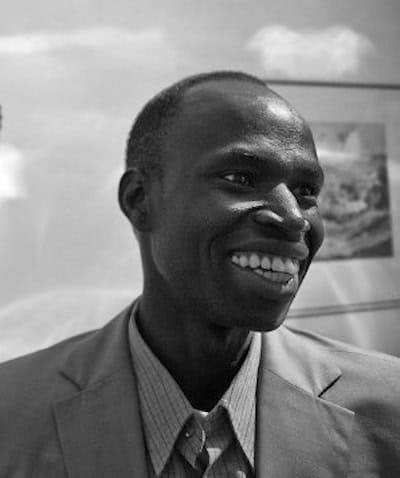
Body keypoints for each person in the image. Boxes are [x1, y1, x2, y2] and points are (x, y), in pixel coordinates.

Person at [0, 71, 399, 477]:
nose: (295, 218)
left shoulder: (388, 406)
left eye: (306, 191)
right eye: (240, 179)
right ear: (139, 200)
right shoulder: (11, 413)